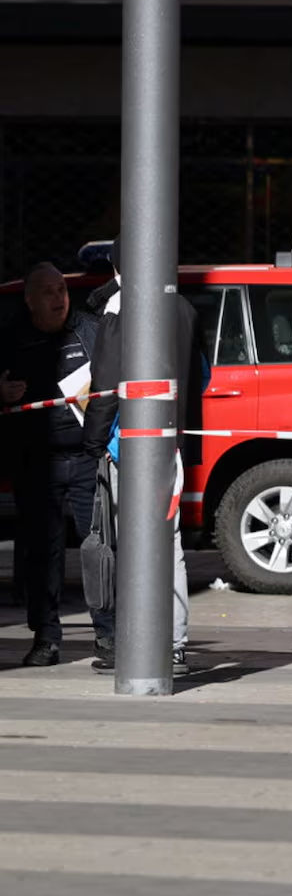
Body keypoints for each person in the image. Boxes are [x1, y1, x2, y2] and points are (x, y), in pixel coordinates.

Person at [81, 242, 205, 677]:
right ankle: (173, 645)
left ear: (117, 266)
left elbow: (107, 385)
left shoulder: (121, 305)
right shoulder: (184, 307)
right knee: (168, 546)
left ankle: (132, 644)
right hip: (170, 444)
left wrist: (93, 439)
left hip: (127, 445)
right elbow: (201, 375)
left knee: (128, 544)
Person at [0, 263, 104, 666]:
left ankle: (108, 634)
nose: (59, 297)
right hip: (34, 463)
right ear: (29, 300)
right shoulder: (10, 338)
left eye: (62, 289)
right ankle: (45, 637)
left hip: (85, 458)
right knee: (42, 554)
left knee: (98, 547)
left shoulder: (87, 330)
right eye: (48, 292)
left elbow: (116, 380)